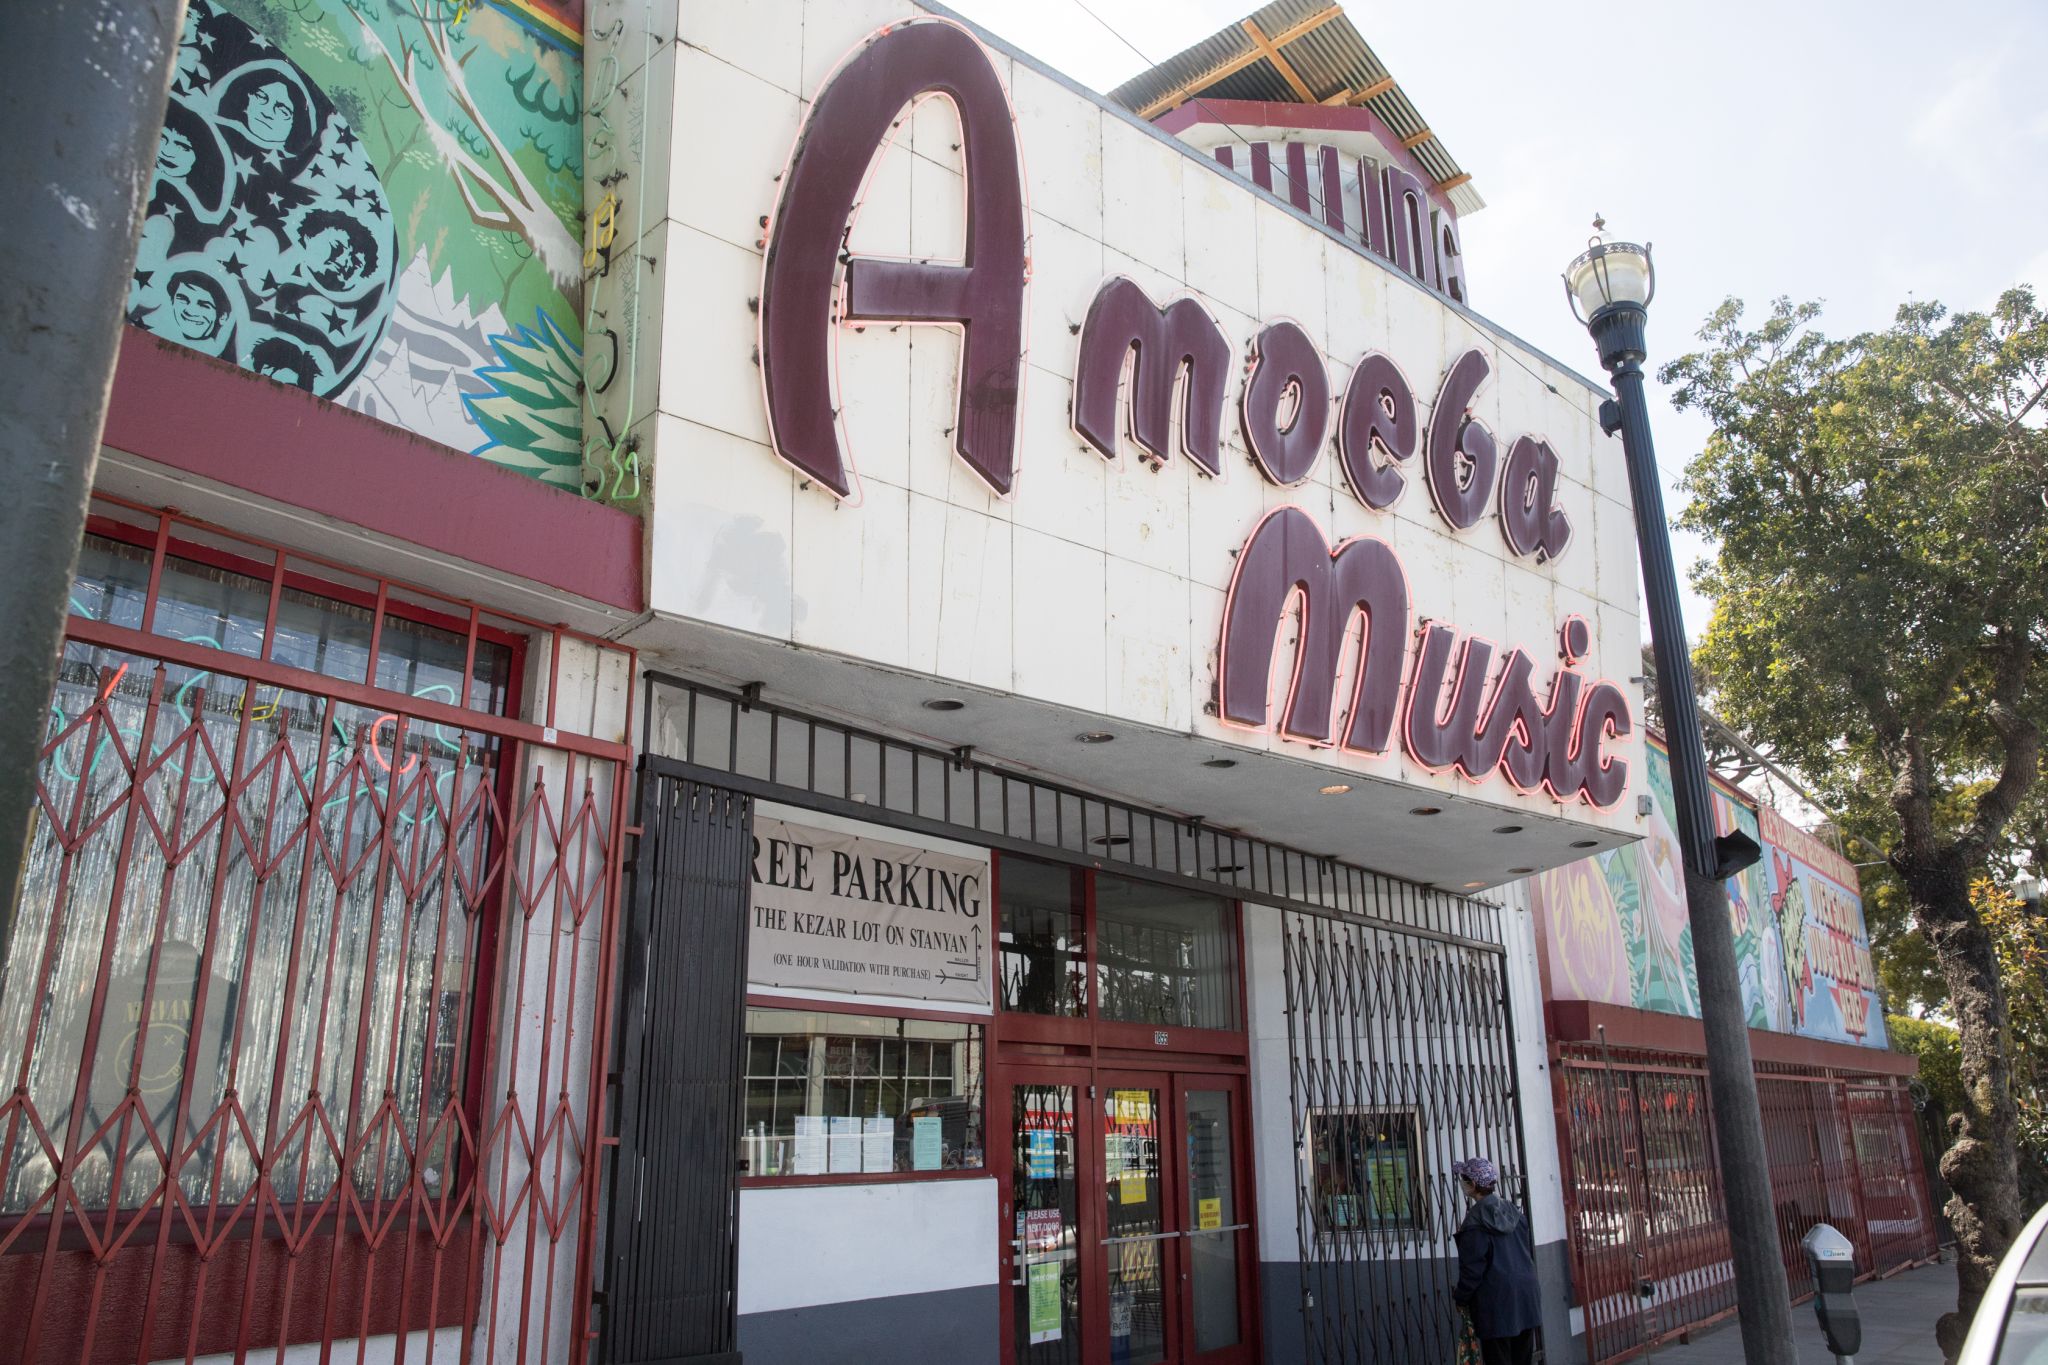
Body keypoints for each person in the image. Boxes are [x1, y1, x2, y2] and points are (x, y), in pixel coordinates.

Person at [1451, 1156, 1541, 1365]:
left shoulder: (1474, 1222)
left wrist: (1461, 1297)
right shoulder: (1514, 1212)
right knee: (1522, 1358)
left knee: (1498, 1358)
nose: (1462, 1184)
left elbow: (1472, 1271)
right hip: (1526, 1297)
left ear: (1473, 1184)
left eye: (1463, 1179)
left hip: (1496, 1302)